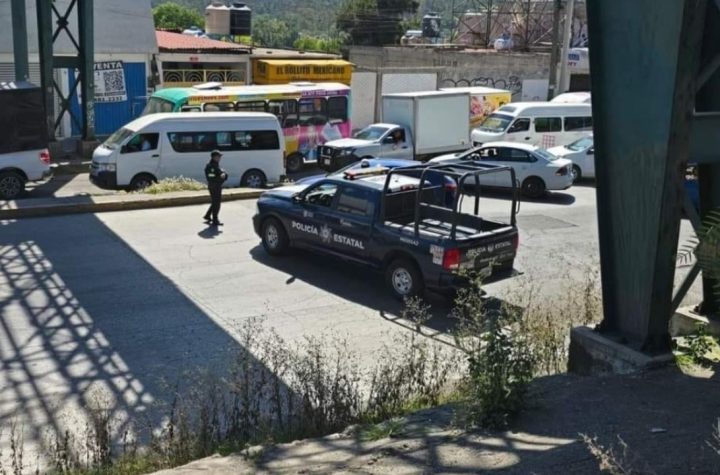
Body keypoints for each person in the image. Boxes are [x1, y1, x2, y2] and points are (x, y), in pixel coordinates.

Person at [203, 150, 228, 226]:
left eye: (220, 156)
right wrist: (221, 177)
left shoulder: (216, 165)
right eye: (218, 156)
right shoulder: (211, 166)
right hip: (214, 187)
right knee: (216, 203)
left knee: (215, 202)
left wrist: (224, 175)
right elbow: (211, 178)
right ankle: (215, 219)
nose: (220, 158)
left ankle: (207, 215)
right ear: (214, 157)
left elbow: (223, 173)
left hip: (217, 186)